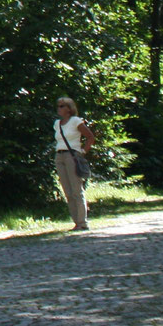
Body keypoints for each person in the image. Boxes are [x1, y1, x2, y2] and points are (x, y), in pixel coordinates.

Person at [53, 97, 97, 231]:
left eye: (62, 106)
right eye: (58, 106)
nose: (59, 108)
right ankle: (76, 221)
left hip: (72, 155)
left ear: (69, 108)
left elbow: (90, 137)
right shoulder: (57, 124)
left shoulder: (76, 121)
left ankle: (82, 222)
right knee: (67, 190)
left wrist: (83, 151)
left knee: (76, 189)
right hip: (59, 156)